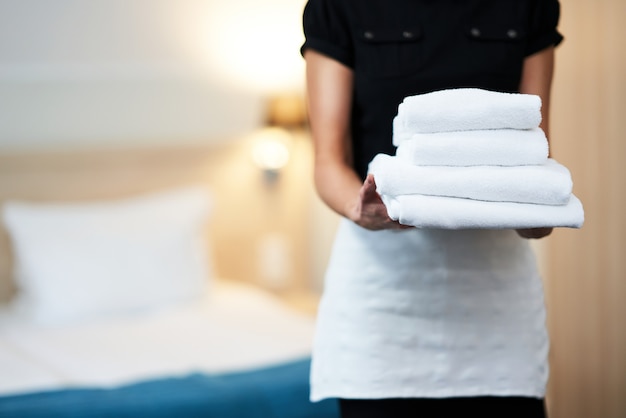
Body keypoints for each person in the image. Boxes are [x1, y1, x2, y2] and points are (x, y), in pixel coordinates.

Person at [300, 0, 563, 417]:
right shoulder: (339, 7)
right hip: (382, 296)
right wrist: (360, 208)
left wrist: (538, 209)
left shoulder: (526, 7)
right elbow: (327, 162)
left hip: (495, 301)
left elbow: (531, 147)